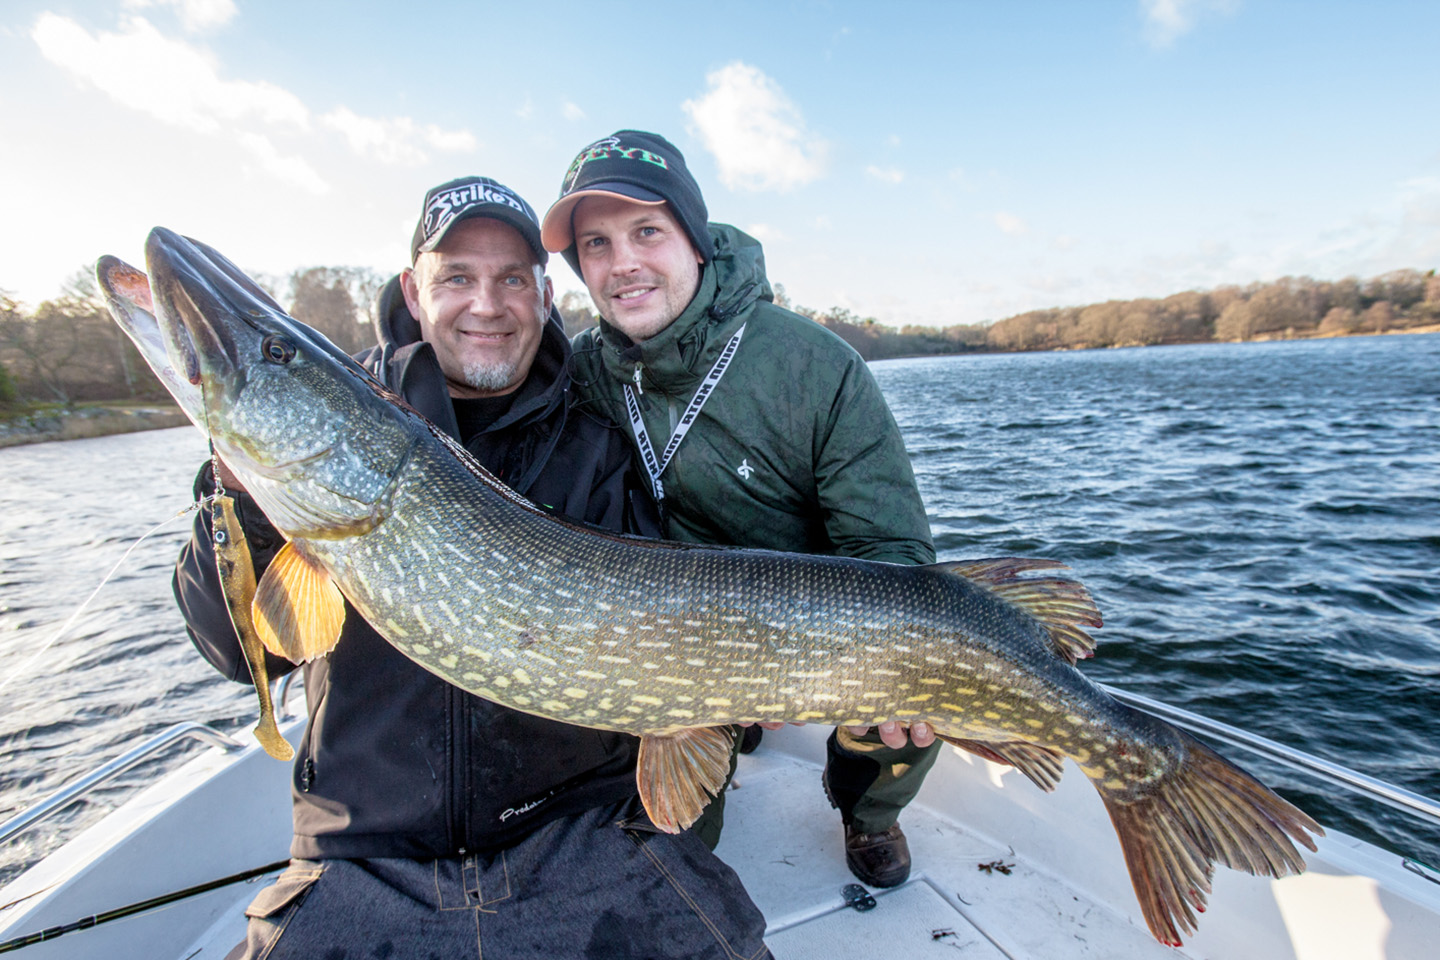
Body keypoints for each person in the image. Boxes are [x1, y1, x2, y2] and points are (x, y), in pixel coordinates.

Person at [173, 176, 772, 959]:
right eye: (456, 277)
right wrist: (247, 498)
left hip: (586, 839)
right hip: (364, 856)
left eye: (511, 280)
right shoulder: (315, 441)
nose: (486, 305)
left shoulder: (598, 445)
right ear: (413, 295)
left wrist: (756, 689)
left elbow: (671, 632)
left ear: (544, 298)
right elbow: (235, 651)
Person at [540, 131, 941, 889]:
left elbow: (893, 553)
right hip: (671, 650)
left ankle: (872, 815)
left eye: (646, 231)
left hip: (813, 633)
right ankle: (733, 735)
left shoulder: (817, 366)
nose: (622, 262)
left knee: (919, 681)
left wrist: (847, 669)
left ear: (694, 240)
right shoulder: (584, 372)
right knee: (674, 860)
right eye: (596, 243)